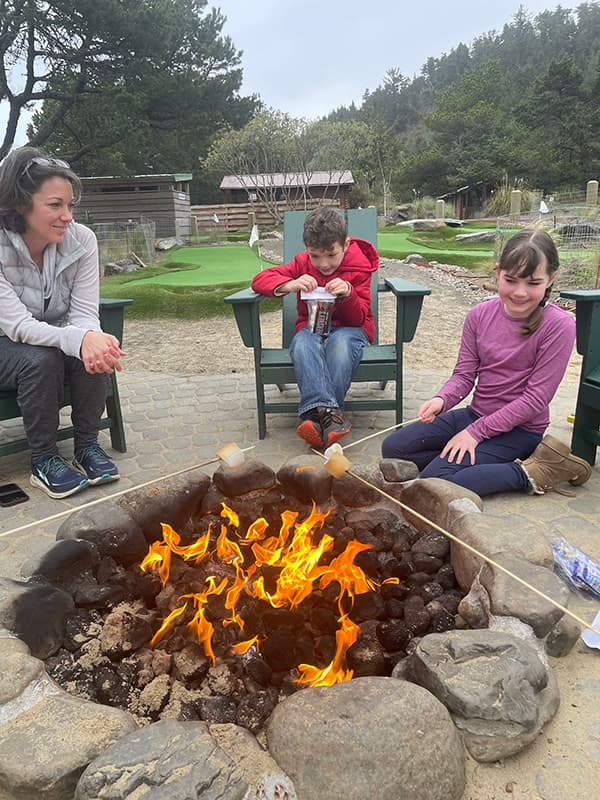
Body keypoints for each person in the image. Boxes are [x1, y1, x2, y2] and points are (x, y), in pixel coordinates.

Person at [381, 228, 592, 497]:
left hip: (521, 429)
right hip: (475, 414)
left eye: (533, 283)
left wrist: (475, 434)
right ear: (497, 273)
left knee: (437, 481)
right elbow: (464, 375)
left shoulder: (559, 326)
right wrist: (441, 400)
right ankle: (473, 461)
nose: (520, 292)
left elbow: (535, 400)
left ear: (551, 279)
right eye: (511, 280)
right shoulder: (479, 315)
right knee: (394, 448)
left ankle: (538, 469)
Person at [0, 146, 125, 499]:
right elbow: (18, 327)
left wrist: (91, 337)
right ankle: (43, 459)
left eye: (70, 205)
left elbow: (84, 313)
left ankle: (87, 445)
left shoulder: (82, 241)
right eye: (55, 205)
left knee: (93, 343)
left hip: (50, 337)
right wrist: (78, 338)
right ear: (21, 204)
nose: (67, 216)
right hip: (4, 341)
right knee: (42, 357)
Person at [251, 206, 378, 449]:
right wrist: (289, 284)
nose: (324, 264)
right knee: (301, 343)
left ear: (346, 245)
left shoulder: (359, 267)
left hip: (350, 331)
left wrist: (348, 293)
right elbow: (259, 280)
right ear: (307, 250)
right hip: (311, 330)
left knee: (338, 346)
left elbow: (358, 319)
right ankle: (331, 416)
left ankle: (313, 414)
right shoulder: (301, 263)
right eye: (315, 256)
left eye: (331, 254)